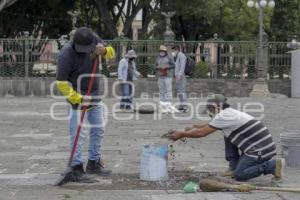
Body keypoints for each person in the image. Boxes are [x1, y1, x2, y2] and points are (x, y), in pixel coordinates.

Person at [166, 94, 285, 182]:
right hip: (260, 146)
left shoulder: (223, 116)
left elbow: (202, 133)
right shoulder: (229, 113)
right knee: (226, 132)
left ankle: (272, 165)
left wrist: (182, 134)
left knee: (240, 175)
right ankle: (233, 167)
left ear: (215, 107)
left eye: (210, 111)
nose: (210, 113)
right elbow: (209, 124)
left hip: (261, 150)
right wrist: (192, 127)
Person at [56, 27, 115, 182]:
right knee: (78, 133)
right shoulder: (66, 54)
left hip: (95, 94)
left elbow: (112, 52)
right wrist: (78, 98)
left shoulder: (94, 39)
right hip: (77, 97)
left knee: (99, 128)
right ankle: (76, 167)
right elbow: (61, 84)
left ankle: (94, 163)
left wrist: (104, 51)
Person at [155, 45, 176, 112]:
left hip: (168, 76)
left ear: (165, 51)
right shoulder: (158, 58)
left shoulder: (169, 57)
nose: (162, 52)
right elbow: (155, 65)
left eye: (163, 51)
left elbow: (173, 65)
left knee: (168, 90)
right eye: (161, 51)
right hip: (160, 75)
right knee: (161, 91)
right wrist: (159, 67)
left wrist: (166, 66)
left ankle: (169, 105)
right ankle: (162, 105)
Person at [172, 45, 188, 112]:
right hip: (177, 76)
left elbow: (182, 66)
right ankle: (181, 105)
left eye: (173, 50)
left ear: (177, 50)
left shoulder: (182, 56)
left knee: (182, 91)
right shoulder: (177, 56)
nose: (173, 52)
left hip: (180, 76)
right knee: (179, 91)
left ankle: (185, 106)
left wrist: (179, 75)